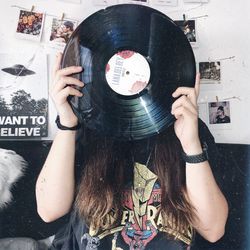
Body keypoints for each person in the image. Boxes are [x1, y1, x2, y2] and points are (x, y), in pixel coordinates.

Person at [35, 53, 228, 250]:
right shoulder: (84, 124)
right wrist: (67, 124)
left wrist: (191, 145)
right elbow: (49, 210)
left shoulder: (188, 126)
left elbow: (213, 230)